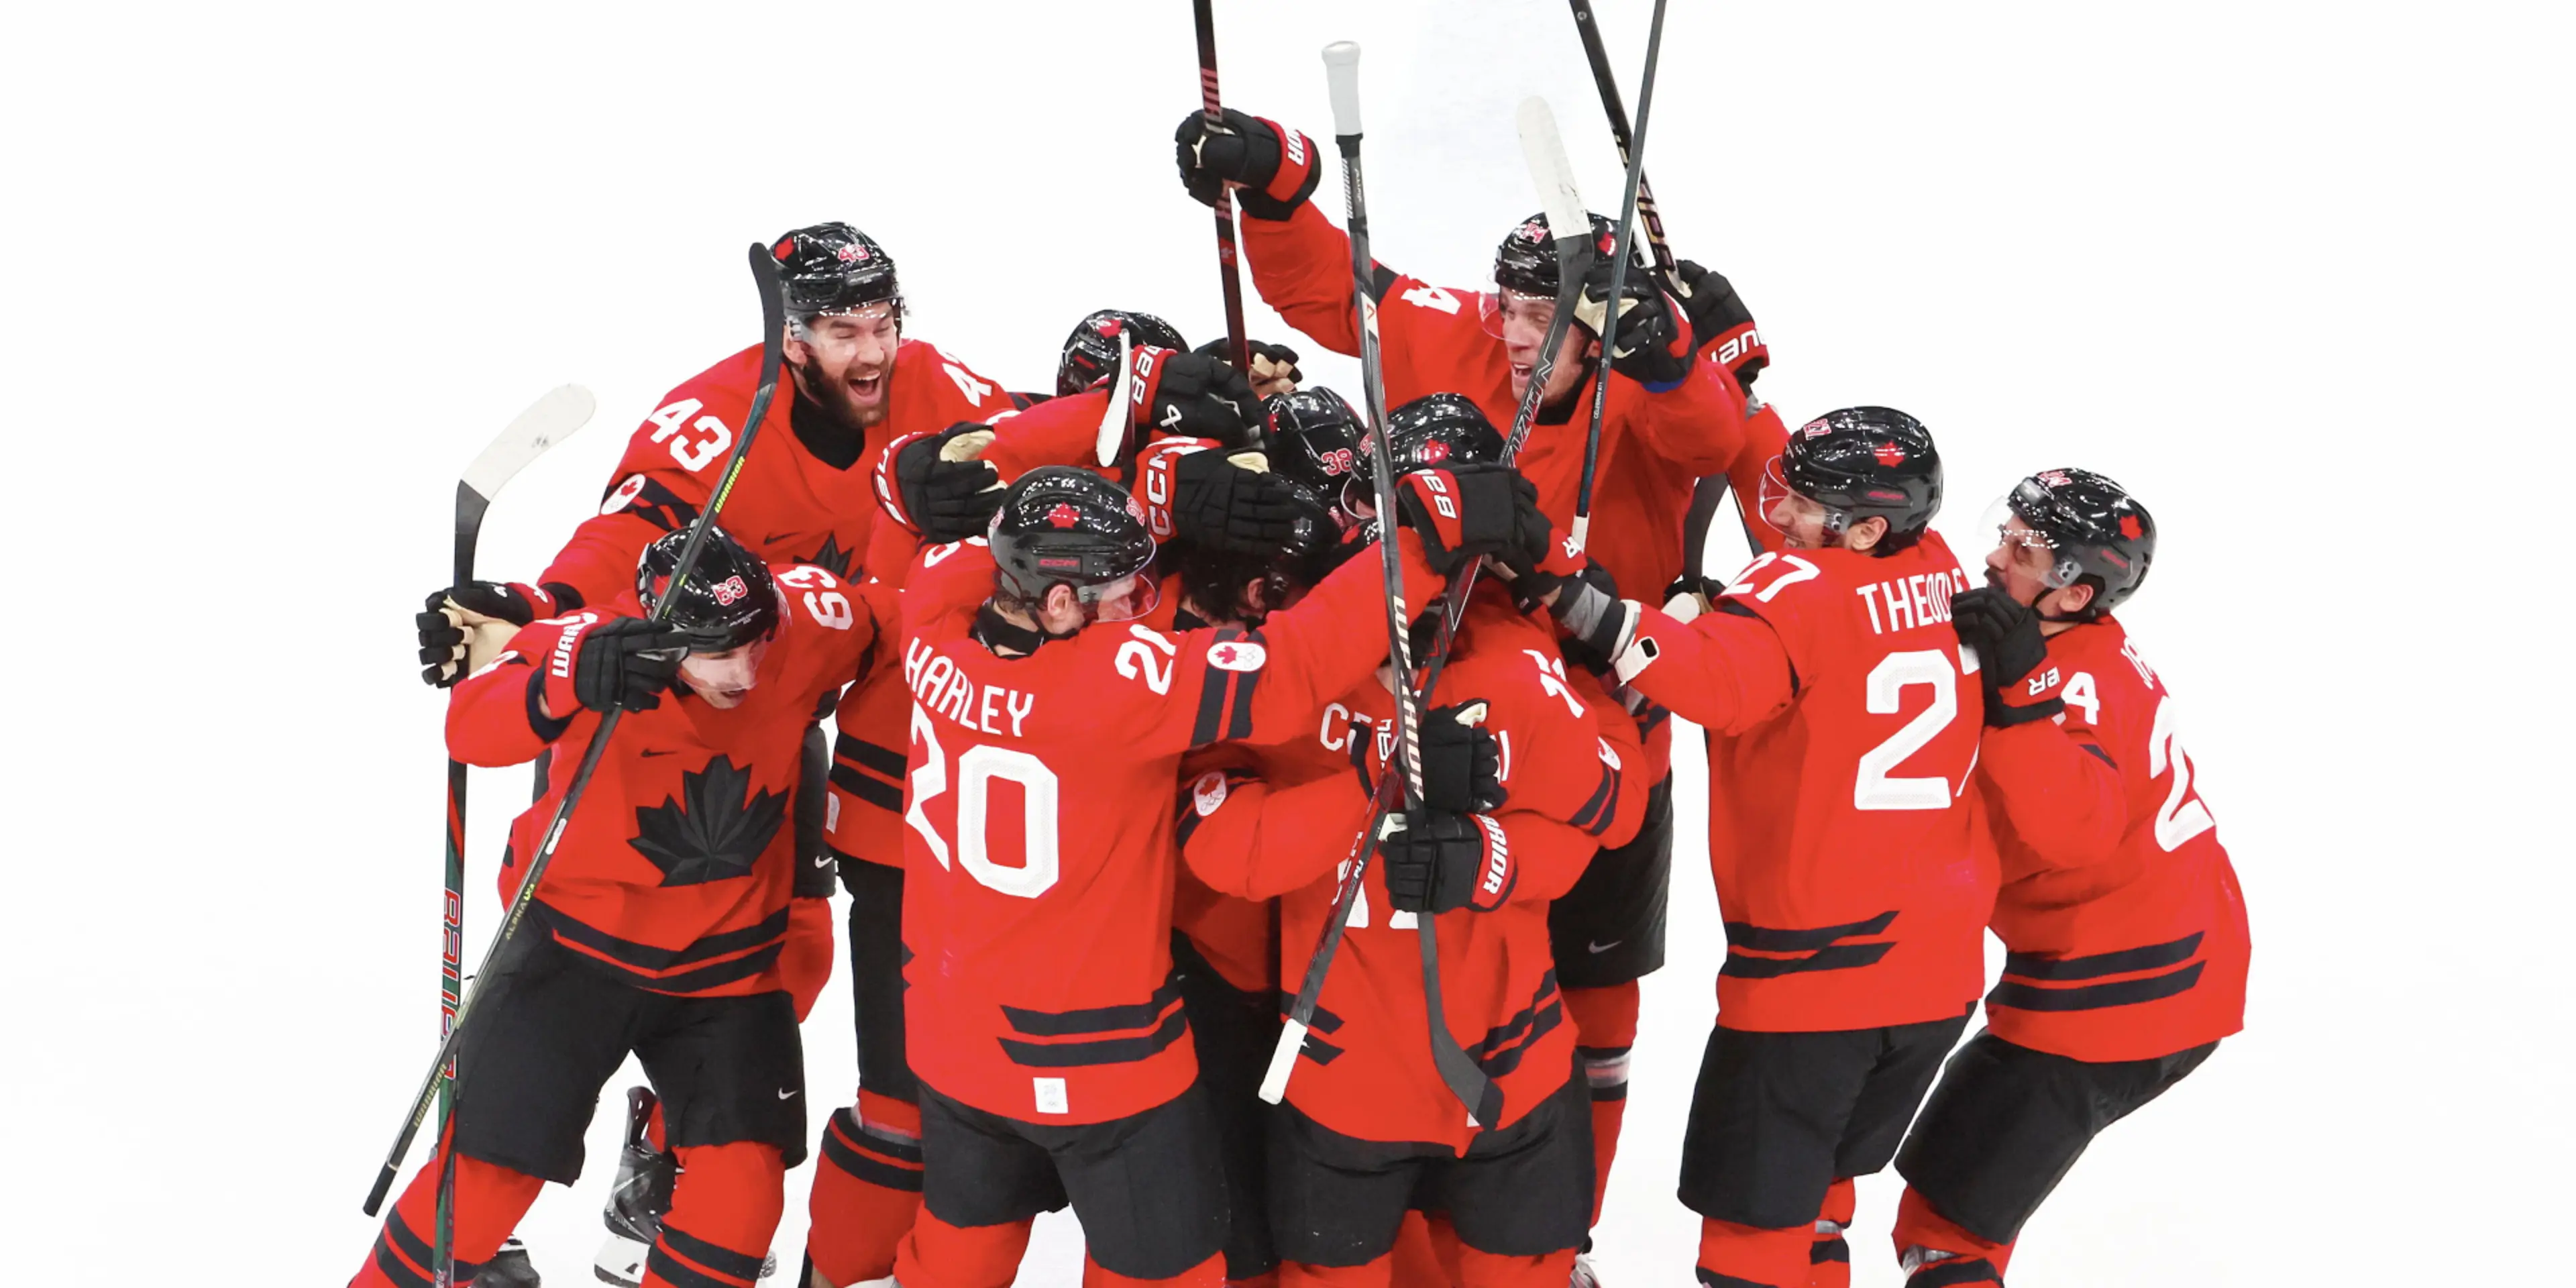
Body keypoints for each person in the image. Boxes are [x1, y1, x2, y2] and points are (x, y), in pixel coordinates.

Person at [1173, 107, 1792, 1232]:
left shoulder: (1643, 404)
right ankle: (1411, 1221)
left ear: (1595, 328)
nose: (1510, 334)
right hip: (1429, 733)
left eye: (1541, 317)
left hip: (1606, 750)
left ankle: (1571, 1228)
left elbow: (1719, 439)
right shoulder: (1460, 335)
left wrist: (1671, 352)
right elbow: (1335, 291)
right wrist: (1273, 186)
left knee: (1595, 1019)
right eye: (1504, 307)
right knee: (1433, 993)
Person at [407, 223, 1012, 1287]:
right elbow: (622, 544)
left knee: (795, 954)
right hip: (657, 693)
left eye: (883, 322)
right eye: (839, 329)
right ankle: (494, 1171)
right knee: (588, 902)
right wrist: (536, 613)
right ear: (790, 335)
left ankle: (670, 1149)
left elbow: (1045, 449)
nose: (869, 353)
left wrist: (1137, 415)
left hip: (793, 709)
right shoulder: (711, 426)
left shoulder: (936, 385)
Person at [890, 461, 1532, 1288]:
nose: (1142, 606)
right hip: (1100, 1063)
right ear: (1058, 604)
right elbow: (1296, 667)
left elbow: (962, 556)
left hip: (953, 1041)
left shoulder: (933, 626)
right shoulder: (1116, 687)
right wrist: (1419, 548)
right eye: (1123, 591)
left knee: (955, 1252)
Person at [1179, 397, 1644, 1288]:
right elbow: (1221, 849)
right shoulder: (1295, 663)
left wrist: (1493, 859)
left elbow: (1610, 812)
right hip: (1339, 1079)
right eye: (1380, 509)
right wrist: (1367, 786)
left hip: (1509, 1071)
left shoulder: (1518, 667)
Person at [1538, 407, 1996, 1288]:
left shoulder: (1799, 594)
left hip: (1814, 990)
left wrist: (1568, 588)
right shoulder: (1941, 568)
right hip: (1937, 978)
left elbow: (1709, 681)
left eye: (1805, 506)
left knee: (1749, 1248)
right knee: (1819, 1197)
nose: (1778, 517)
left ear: (1864, 528)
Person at [353, 528, 883, 1288]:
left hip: (727, 974)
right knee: (481, 1184)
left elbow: (902, 615)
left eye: (756, 640)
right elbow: (471, 726)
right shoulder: (587, 646)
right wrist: (558, 687)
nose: (744, 668)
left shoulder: (807, 619)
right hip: (574, 955)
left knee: (744, 1195)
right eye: (716, 651)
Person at [1884, 470, 2250, 1287]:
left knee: (1948, 1234)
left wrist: (2018, 703)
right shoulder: (2064, 648)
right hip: (2154, 960)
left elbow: (2075, 831)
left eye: (2023, 549)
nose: (1993, 556)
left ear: (2074, 594)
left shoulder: (2066, 683)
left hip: (2126, 986)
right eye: (2006, 533)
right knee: (1956, 1211)